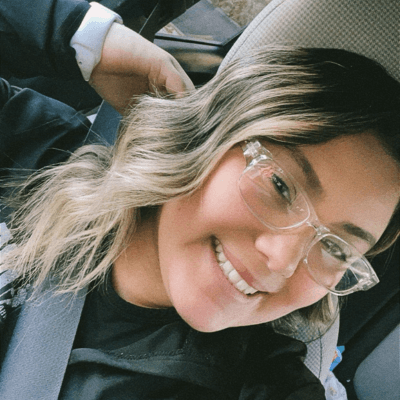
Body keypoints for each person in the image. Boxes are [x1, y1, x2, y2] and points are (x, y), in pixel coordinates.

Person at [0, 2, 399, 400]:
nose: (282, 260)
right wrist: (88, 37)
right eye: (280, 186)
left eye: (335, 248)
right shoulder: (44, 154)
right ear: (212, 134)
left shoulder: (258, 384)